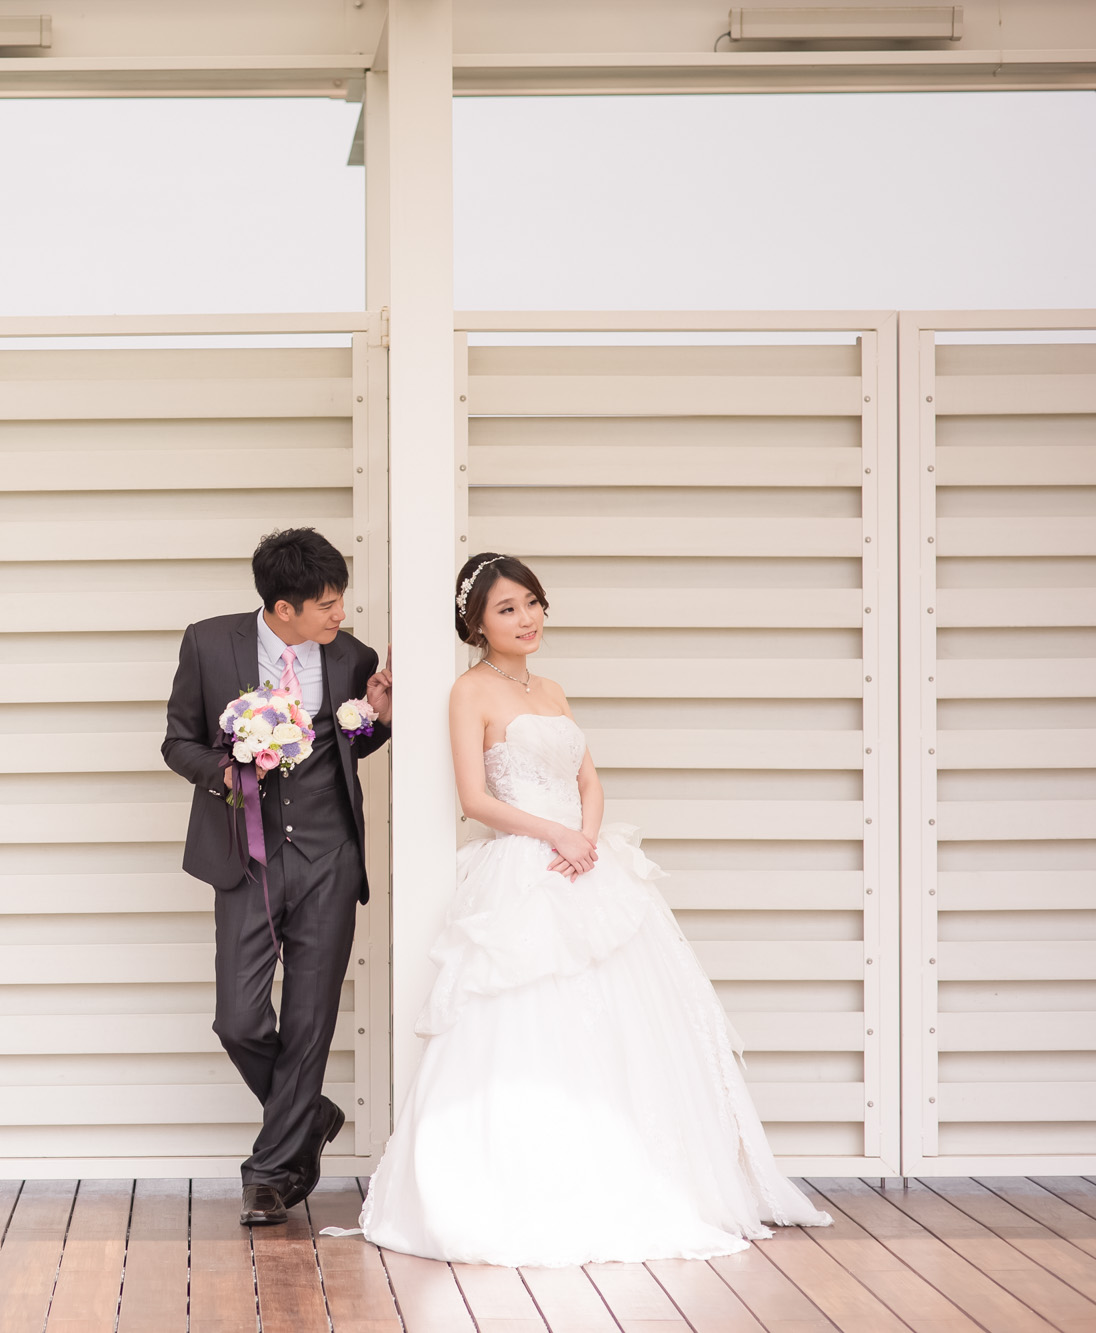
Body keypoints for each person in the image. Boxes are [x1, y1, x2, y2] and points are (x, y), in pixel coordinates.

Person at [355, 551, 830, 1266]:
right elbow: (475, 799)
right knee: (524, 1015)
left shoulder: (552, 689)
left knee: (626, 1022)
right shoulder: (469, 691)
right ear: (477, 623)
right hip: (527, 863)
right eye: (507, 608)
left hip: (586, 860)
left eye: (532, 602)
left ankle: (640, 1174)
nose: (526, 618)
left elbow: (587, 778)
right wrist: (557, 836)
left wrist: (588, 838)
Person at [162, 528, 392, 1227]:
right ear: (283, 607)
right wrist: (228, 769)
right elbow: (177, 741)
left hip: (329, 856)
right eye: (327, 604)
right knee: (239, 1019)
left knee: (309, 1020)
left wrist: (377, 719)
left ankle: (269, 1174)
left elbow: (351, 740)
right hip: (246, 856)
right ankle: (307, 1114)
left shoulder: (353, 657)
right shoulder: (208, 643)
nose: (340, 614)